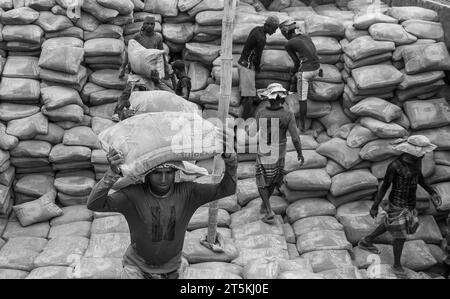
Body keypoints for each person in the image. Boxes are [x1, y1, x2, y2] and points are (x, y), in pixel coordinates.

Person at [87, 142, 237, 279]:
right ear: (147, 174)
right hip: (136, 268)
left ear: (176, 172)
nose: (164, 179)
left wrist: (230, 161)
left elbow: (227, 189)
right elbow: (94, 204)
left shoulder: (189, 193)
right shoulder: (133, 195)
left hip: (172, 269)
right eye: (157, 173)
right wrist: (112, 173)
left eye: (169, 172)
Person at [358, 135, 442, 278]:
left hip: (410, 203)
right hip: (397, 203)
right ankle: (397, 265)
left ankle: (367, 240)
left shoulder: (417, 162)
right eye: (421, 151)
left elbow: (420, 178)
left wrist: (432, 192)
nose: (424, 154)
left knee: (390, 224)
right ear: (411, 151)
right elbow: (384, 187)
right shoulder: (395, 166)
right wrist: (375, 205)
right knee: (401, 236)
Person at [255, 83, 304, 224]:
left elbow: (256, 131)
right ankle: (266, 206)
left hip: (265, 149)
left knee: (261, 180)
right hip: (280, 151)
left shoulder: (261, 113)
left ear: (268, 99)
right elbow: (295, 137)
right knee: (274, 178)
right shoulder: (288, 115)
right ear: (283, 100)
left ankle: (268, 209)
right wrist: (299, 153)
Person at [279, 19, 321, 132]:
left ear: (286, 32)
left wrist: (292, 72)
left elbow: (297, 63)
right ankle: (292, 91)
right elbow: (313, 53)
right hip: (317, 68)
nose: (284, 36)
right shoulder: (306, 36)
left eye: (283, 34)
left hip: (306, 73)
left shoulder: (289, 44)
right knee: (296, 78)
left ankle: (302, 126)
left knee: (302, 100)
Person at [238, 16, 280, 120]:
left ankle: (244, 116)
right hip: (247, 67)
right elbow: (258, 56)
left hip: (242, 64)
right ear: (268, 26)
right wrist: (257, 68)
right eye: (274, 29)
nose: (274, 32)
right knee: (249, 97)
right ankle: (244, 120)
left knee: (246, 94)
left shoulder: (256, 29)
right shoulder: (261, 38)